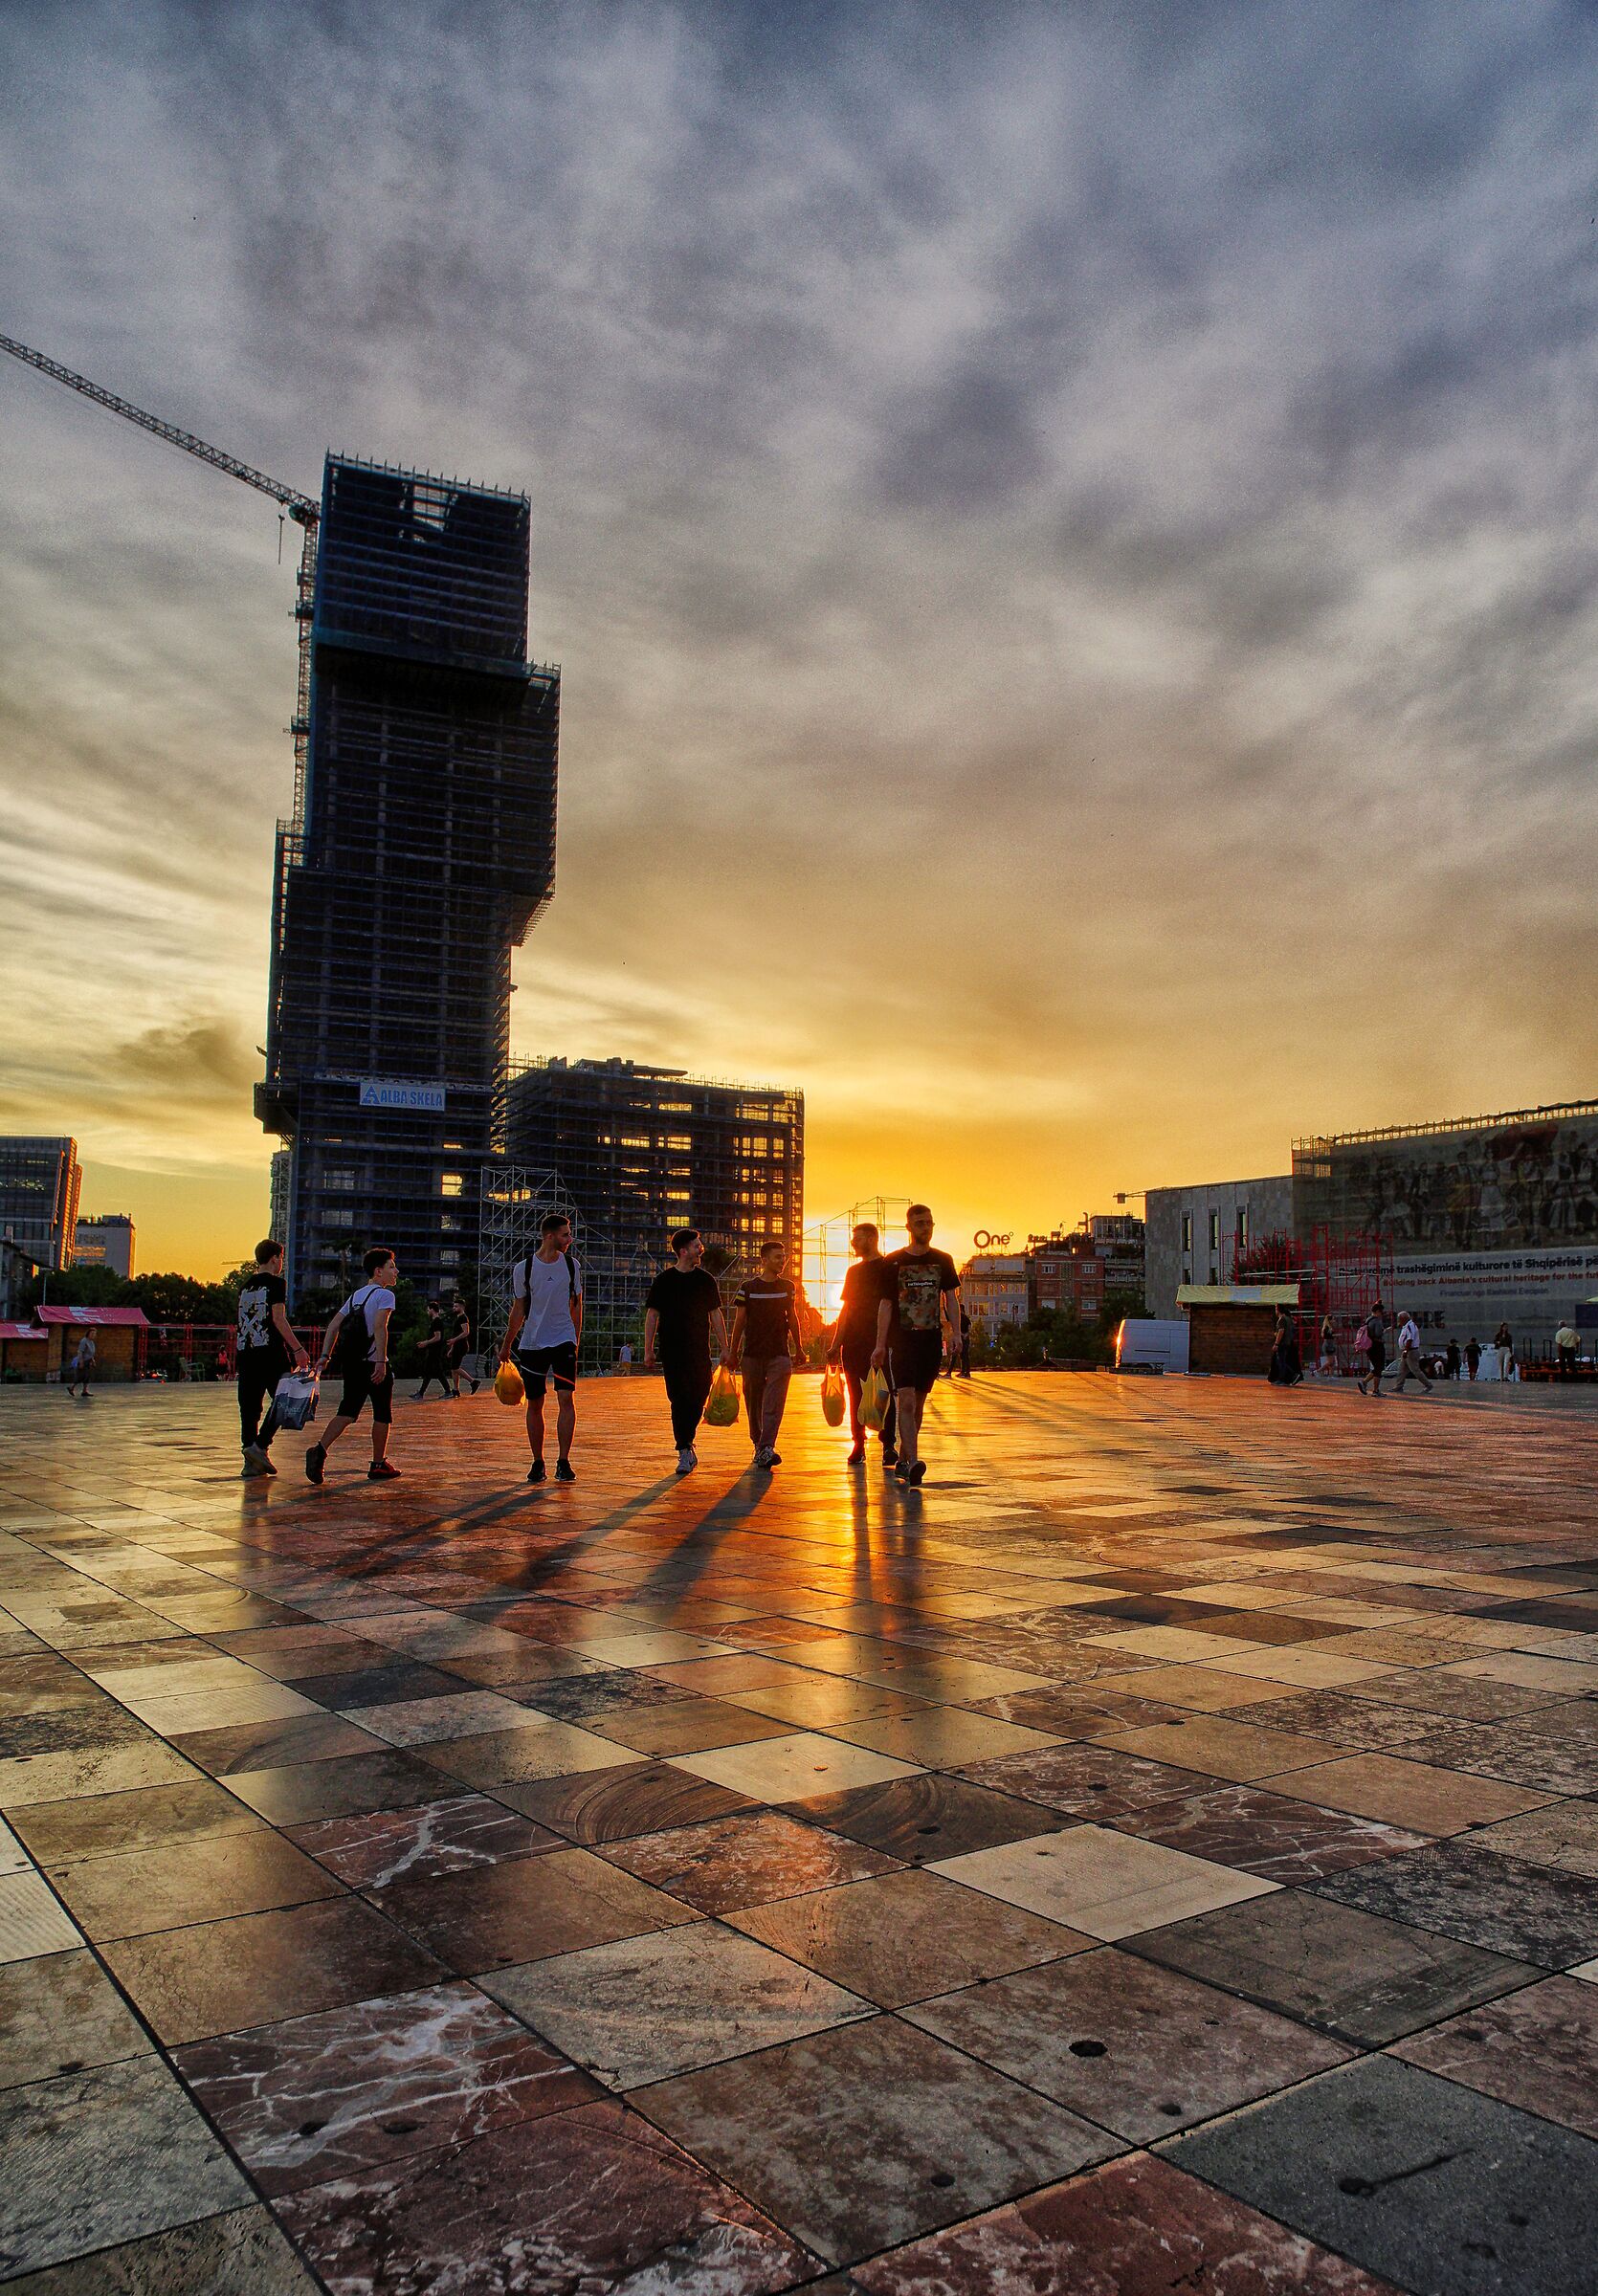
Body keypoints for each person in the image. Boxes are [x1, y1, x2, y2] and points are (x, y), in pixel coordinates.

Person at [872, 1204, 962, 1486]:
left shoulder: (943, 1260)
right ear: (909, 1227)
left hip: (930, 1342)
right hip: (902, 1342)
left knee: (919, 1404)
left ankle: (903, 1460)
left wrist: (956, 1333)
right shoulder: (893, 1262)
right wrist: (879, 1345)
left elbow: (951, 1300)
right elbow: (885, 1305)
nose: (926, 1228)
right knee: (906, 1402)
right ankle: (913, 1463)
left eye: (930, 1223)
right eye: (921, 1223)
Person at [501, 1212, 583, 1485]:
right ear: (550, 1236)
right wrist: (506, 1345)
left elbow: (576, 1305)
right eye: (565, 1235)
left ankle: (564, 1461)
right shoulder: (523, 1268)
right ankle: (538, 1462)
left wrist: (576, 1339)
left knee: (566, 1398)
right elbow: (519, 1309)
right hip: (533, 1343)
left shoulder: (572, 1266)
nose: (569, 1239)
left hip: (563, 1341)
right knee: (535, 1403)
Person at [305, 1247, 399, 1482]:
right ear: (378, 1272)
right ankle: (378, 1463)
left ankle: (320, 1450)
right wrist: (380, 1362)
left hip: (353, 1363)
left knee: (348, 1412)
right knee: (382, 1413)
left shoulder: (356, 1296)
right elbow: (380, 1328)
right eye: (391, 1267)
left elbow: (334, 1325)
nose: (395, 1271)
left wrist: (325, 1355)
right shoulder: (385, 1295)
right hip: (373, 1363)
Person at [643, 1229, 728, 1474]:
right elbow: (652, 1315)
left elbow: (715, 1315)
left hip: (699, 1350)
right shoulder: (664, 1281)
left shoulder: (705, 1281)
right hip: (672, 1351)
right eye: (696, 1246)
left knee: (700, 1393)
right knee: (678, 1399)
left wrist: (725, 1347)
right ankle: (684, 1449)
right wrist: (648, 1349)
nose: (701, 1249)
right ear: (683, 1251)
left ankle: (687, 1441)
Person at [236, 1238, 309, 1474]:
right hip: (271, 1353)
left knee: (249, 1406)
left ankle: (250, 1460)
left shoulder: (245, 1286)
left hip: (246, 1352)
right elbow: (278, 1319)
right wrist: (298, 1349)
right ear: (275, 1258)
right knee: (284, 1399)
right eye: (281, 1258)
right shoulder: (276, 1284)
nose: (282, 1263)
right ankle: (261, 1446)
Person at [728, 1240, 804, 1471]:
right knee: (754, 1402)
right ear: (764, 1260)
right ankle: (758, 1444)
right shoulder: (748, 1288)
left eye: (784, 1257)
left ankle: (767, 1446)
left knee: (774, 1402)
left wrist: (799, 1348)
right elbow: (740, 1322)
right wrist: (732, 1352)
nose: (782, 1261)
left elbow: (792, 1318)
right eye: (777, 1257)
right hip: (752, 1355)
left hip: (780, 1355)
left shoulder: (788, 1287)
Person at [829, 1224, 896, 1469]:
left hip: (880, 1340)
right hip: (854, 1343)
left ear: (872, 1238)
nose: (853, 1243)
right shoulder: (853, 1272)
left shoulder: (888, 1268)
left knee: (883, 1392)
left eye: (857, 1239)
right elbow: (845, 1310)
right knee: (856, 1394)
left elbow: (891, 1306)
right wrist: (836, 1343)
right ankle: (858, 1443)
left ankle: (888, 1444)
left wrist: (885, 1341)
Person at [414, 1301, 451, 1401]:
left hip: (435, 1350)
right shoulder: (435, 1321)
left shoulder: (437, 1322)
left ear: (431, 1309)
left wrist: (426, 1343)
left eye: (428, 1310)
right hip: (433, 1350)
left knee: (433, 1371)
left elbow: (437, 1337)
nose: (427, 1312)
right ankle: (421, 1392)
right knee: (432, 1372)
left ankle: (447, 1391)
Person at [1390, 1309, 1433, 1394]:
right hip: (1406, 1351)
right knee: (1402, 1370)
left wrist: (1406, 1350)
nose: (1399, 1321)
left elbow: (1410, 1339)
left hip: (1411, 1351)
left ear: (1404, 1319)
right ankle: (1399, 1386)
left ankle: (1428, 1385)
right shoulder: (1405, 1326)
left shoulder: (1410, 1326)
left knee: (1415, 1370)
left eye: (1399, 1319)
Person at [446, 1292, 477, 1396]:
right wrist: (452, 1348)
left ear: (462, 1307)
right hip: (457, 1345)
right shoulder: (458, 1318)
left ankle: (473, 1381)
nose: (454, 1308)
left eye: (456, 1306)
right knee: (454, 1368)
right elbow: (457, 1333)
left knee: (455, 1367)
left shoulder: (463, 1318)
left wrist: (454, 1340)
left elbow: (466, 1332)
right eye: (454, 1306)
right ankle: (455, 1390)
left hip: (461, 1345)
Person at [1356, 1300, 1387, 1396]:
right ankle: (1375, 1390)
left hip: (1369, 1347)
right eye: (1382, 1312)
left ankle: (1364, 1382)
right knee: (1379, 1368)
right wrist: (1384, 1331)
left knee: (1377, 1367)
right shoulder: (1377, 1321)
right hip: (1377, 1347)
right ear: (1377, 1311)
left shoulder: (1368, 1320)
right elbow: (1378, 1334)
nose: (1382, 1315)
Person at [63, 1330, 97, 1398]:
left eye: (94, 1334)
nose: (93, 1335)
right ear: (88, 1334)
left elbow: (91, 1353)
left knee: (87, 1376)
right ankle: (71, 1388)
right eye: (92, 1333)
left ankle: (84, 1391)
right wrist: (81, 1362)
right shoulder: (84, 1341)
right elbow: (80, 1352)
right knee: (80, 1376)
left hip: (88, 1361)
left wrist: (93, 1361)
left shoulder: (91, 1342)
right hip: (83, 1361)